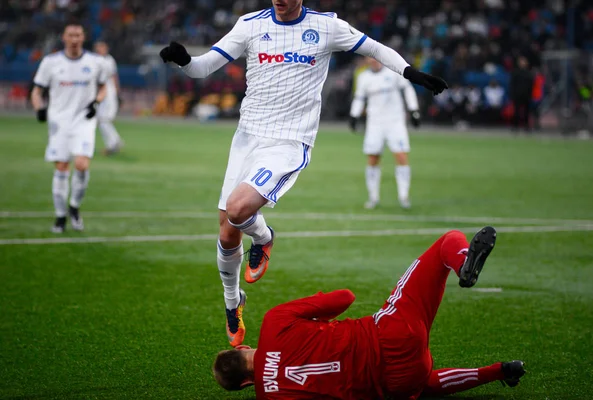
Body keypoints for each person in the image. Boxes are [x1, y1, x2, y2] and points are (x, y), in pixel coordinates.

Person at [159, 0, 448, 347]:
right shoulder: (250, 25)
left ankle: (264, 238)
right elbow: (204, 67)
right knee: (226, 233)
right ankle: (233, 305)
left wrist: (410, 72)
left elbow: (375, 48)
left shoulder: (327, 26)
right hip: (247, 138)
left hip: (289, 141)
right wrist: (185, 59)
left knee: (237, 210)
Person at [212, 226, 526, 399]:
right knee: (448, 241)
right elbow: (345, 298)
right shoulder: (273, 323)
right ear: (242, 347)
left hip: (395, 384)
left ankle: (500, 371)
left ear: (245, 385)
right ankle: (463, 263)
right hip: (391, 333)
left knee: (422, 383)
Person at [31, 22, 108, 233]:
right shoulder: (50, 62)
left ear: (83, 38)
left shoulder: (95, 62)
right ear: (63, 37)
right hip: (59, 121)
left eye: (78, 35)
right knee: (62, 167)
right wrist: (39, 109)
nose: (74, 39)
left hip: (83, 120)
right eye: (70, 35)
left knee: (82, 164)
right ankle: (60, 216)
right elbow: (37, 91)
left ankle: (74, 206)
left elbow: (103, 88)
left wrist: (96, 102)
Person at [349, 57, 420, 210]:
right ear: (367, 60)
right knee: (373, 158)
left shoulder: (394, 72)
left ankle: (404, 196)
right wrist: (354, 115)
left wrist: (414, 109)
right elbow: (359, 98)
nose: (374, 61)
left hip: (395, 122)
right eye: (370, 58)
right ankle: (373, 198)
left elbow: (407, 89)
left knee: (401, 156)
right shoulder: (363, 77)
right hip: (375, 123)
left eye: (376, 58)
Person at [94, 41, 124, 155]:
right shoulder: (95, 60)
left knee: (104, 119)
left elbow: (114, 77)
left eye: (102, 47)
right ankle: (114, 142)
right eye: (98, 47)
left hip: (109, 93)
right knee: (102, 119)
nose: (100, 49)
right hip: (99, 93)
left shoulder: (109, 60)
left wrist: (117, 93)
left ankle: (114, 143)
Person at [510, 56, 534, 132]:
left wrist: (530, 95)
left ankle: (526, 127)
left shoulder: (529, 73)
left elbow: (531, 85)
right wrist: (513, 95)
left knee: (526, 112)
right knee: (516, 111)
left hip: (526, 95)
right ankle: (515, 127)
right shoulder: (515, 72)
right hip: (517, 95)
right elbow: (512, 84)